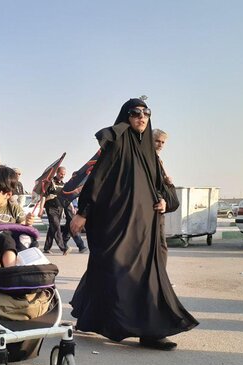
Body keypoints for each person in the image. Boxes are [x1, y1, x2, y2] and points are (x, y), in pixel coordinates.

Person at [70, 98, 198, 350]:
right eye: (135, 113)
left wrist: (165, 202)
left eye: (146, 113)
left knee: (147, 276)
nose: (141, 117)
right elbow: (98, 177)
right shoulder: (117, 142)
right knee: (110, 270)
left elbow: (162, 185)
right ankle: (92, 319)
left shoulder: (150, 152)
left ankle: (150, 332)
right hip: (115, 223)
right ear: (126, 116)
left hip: (146, 226)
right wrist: (83, 212)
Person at [153, 128, 173, 263]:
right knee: (160, 245)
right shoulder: (150, 158)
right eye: (157, 141)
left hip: (158, 206)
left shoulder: (157, 159)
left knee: (160, 244)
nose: (160, 144)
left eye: (163, 142)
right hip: (155, 205)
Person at [42, 166, 70, 255]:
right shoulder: (50, 182)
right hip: (51, 208)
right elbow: (43, 195)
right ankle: (63, 248)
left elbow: (66, 197)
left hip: (60, 208)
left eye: (64, 174)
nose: (62, 176)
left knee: (52, 228)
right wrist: (41, 208)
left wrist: (71, 207)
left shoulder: (63, 184)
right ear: (57, 173)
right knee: (56, 226)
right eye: (61, 174)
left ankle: (46, 248)